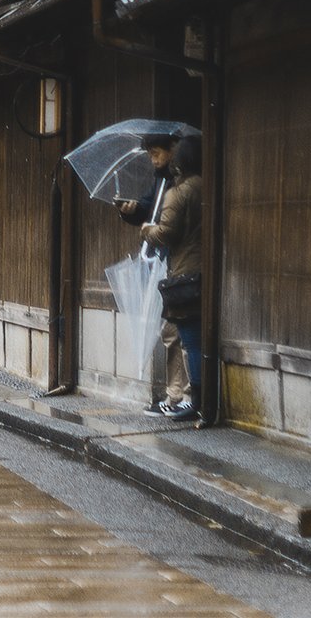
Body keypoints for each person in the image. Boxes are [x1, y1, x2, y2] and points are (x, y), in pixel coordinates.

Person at [118, 134, 204, 422]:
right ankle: (180, 395)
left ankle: (183, 397)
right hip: (180, 265)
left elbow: (166, 229)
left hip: (181, 268)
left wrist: (147, 231)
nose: (154, 160)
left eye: (157, 154)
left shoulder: (179, 190)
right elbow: (149, 206)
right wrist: (131, 212)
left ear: (176, 154)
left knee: (181, 333)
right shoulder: (167, 182)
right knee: (179, 334)